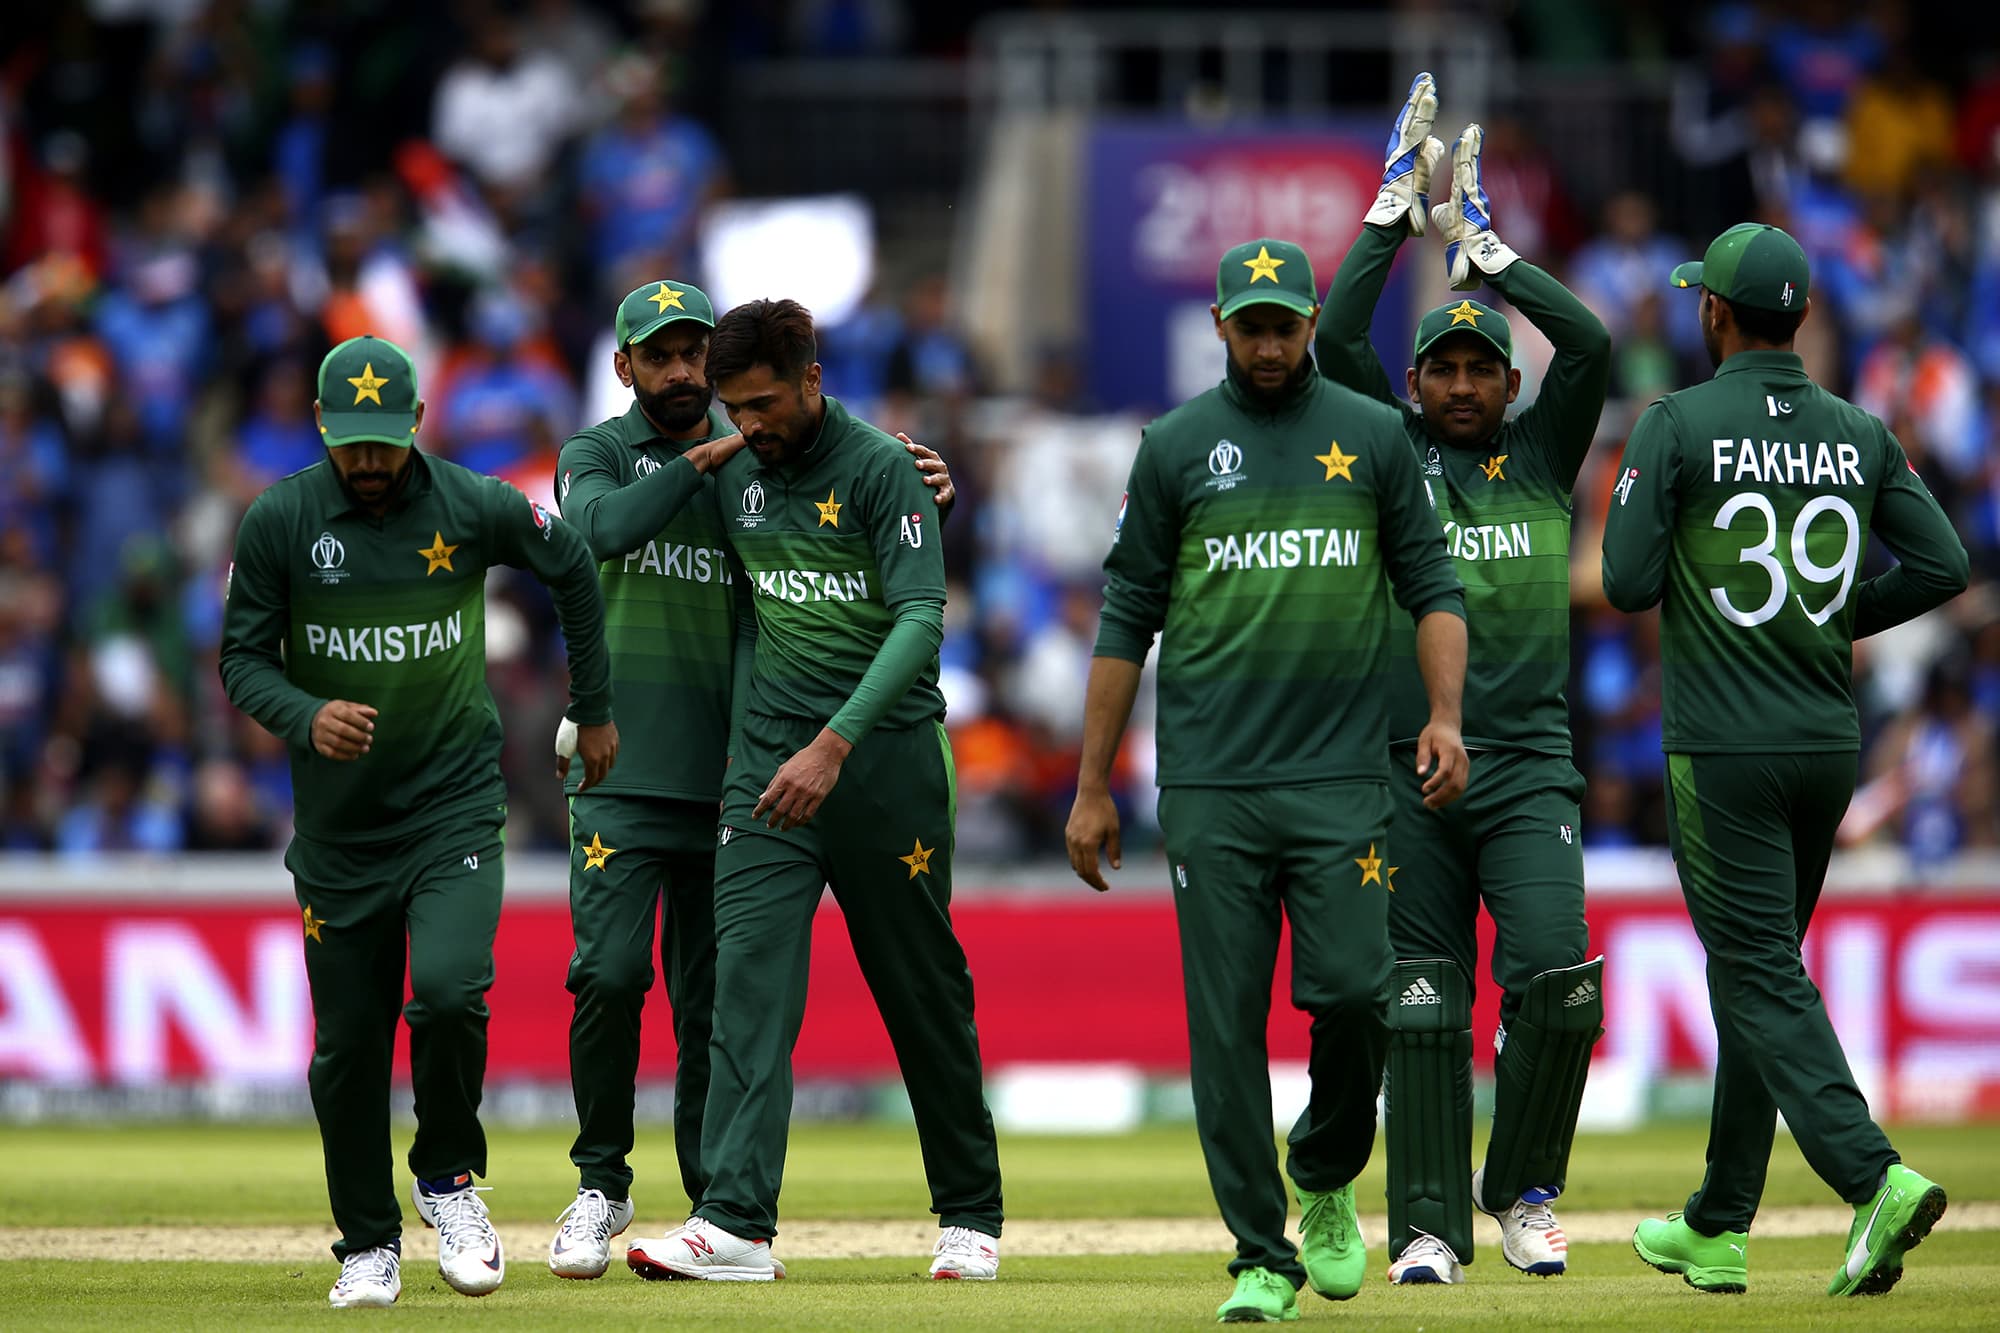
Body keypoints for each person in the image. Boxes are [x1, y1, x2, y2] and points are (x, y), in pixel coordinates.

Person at [1065, 236, 1471, 1324]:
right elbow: (1124, 618)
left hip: (1342, 776)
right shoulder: (1174, 447)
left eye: (1284, 323)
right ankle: (1260, 1255)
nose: (1268, 343)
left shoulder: (1376, 436)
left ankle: (1325, 1166)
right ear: (1219, 328)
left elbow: (1433, 585)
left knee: (1353, 992)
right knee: (1223, 1026)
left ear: (1307, 323)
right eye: (1249, 325)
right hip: (1209, 783)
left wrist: (1442, 716)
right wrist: (1091, 781)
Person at [547, 281, 955, 1279]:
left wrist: (905, 478)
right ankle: (601, 1181)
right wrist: (710, 455)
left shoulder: (756, 461)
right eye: (663, 355)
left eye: (697, 355)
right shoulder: (607, 456)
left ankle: (714, 1212)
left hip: (735, 772)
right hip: (623, 769)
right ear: (624, 367)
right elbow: (599, 533)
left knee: (715, 1010)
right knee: (606, 974)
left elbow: (838, 507)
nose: (683, 372)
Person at [1601, 223, 1968, 1298]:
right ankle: (1717, 1221)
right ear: (1799, 316)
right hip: (1822, 744)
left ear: (1710, 313)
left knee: (1755, 969)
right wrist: (1839, 610)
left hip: (1720, 747)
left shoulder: (1674, 422)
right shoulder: (1855, 431)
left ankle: (1872, 1179)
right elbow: (1943, 561)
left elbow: (1624, 583)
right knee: (1752, 970)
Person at [219, 335, 618, 1309]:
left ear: (415, 429)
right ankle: (366, 1241)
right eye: (349, 443)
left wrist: (594, 705)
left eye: (383, 444)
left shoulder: (471, 504)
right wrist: (304, 714)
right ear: (320, 428)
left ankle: (448, 1179)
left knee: (445, 996)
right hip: (340, 832)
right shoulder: (279, 521)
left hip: (452, 806)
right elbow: (240, 661)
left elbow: (568, 565)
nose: (366, 462)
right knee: (348, 1045)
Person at [1316, 73, 1612, 1285]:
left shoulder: (1542, 457)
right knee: (1421, 1001)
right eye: (1436, 368)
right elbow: (1335, 341)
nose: (1452, 384)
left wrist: (1490, 264)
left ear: (1503, 383)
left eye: (1475, 368)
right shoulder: (1383, 452)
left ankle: (1522, 1192)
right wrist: (1391, 222)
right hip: (1405, 768)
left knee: (1557, 976)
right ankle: (1427, 1227)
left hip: (1527, 761)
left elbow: (1587, 343)